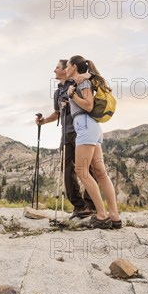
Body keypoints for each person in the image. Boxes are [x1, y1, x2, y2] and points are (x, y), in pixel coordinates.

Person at [64, 55, 122, 229]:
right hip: (92, 128)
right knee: (100, 172)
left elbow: (88, 105)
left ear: (74, 66)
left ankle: (102, 216)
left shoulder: (82, 82)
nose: (66, 69)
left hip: (85, 126)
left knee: (81, 171)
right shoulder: (82, 81)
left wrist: (73, 95)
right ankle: (115, 216)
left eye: (67, 66)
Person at [36, 60, 96, 219]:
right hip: (66, 132)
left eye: (56, 67)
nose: (54, 70)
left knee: (87, 168)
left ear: (65, 70)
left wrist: (85, 77)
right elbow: (57, 113)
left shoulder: (78, 81)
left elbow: (92, 76)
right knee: (67, 169)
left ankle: (91, 204)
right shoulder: (57, 92)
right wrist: (44, 121)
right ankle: (79, 206)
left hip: (81, 130)